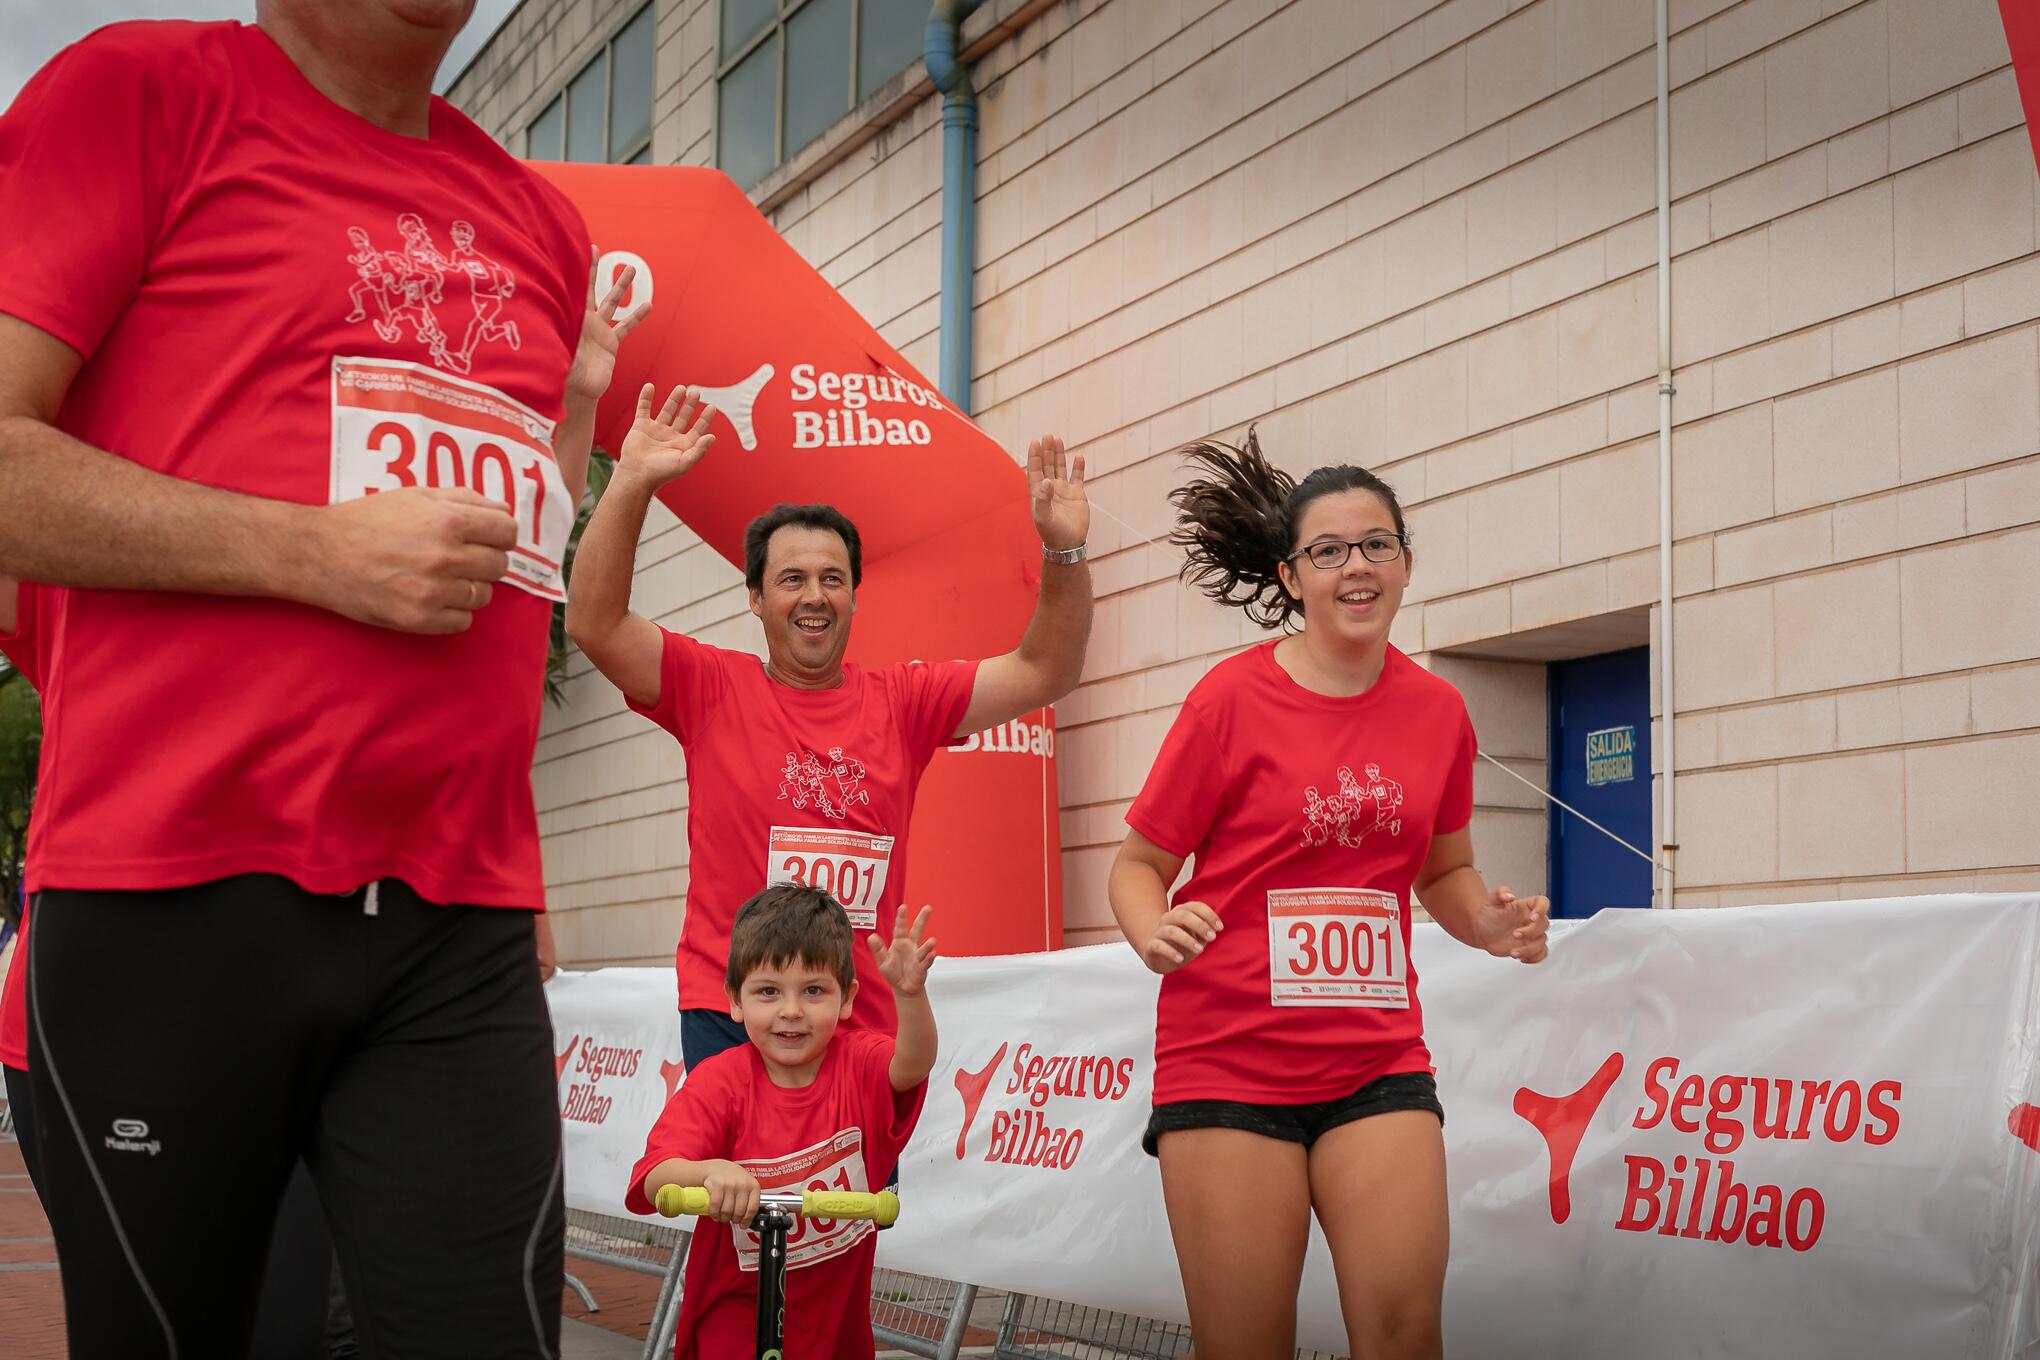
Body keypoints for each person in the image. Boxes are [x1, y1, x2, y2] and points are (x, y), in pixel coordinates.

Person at [0, 2, 646, 1352]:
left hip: (454, 920)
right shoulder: (137, 92)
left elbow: (504, 578)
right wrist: (310, 554)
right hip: (175, 895)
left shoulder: (536, 220)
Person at [1107, 431, 1552, 1360]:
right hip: (1227, 1063)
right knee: (1248, 1344)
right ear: (1293, 575)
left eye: (1377, 544)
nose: (1357, 566)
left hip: (1376, 1061)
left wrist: (1491, 924)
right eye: (1329, 551)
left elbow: (1442, 872)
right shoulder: (1228, 702)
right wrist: (1152, 931)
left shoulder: (1439, 713)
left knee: (1402, 1332)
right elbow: (1138, 865)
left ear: (1406, 562)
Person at [566, 385, 1092, 1069]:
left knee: (859, 1186)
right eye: (791, 579)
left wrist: (1063, 554)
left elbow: (1045, 670)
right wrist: (632, 480)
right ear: (756, 598)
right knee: (730, 1184)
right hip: (733, 1018)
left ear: (852, 597)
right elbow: (594, 623)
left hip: (859, 1028)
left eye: (832, 579)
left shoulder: (906, 701)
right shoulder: (710, 687)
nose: (814, 595)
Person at [626, 884, 936, 1358]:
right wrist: (708, 1172)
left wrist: (909, 996)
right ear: (735, 1000)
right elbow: (654, 1178)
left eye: (814, 991)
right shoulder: (720, 1083)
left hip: (836, 1329)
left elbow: (912, 1065)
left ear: (846, 998)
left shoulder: (860, 1064)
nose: (791, 1010)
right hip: (735, 1320)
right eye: (768, 992)